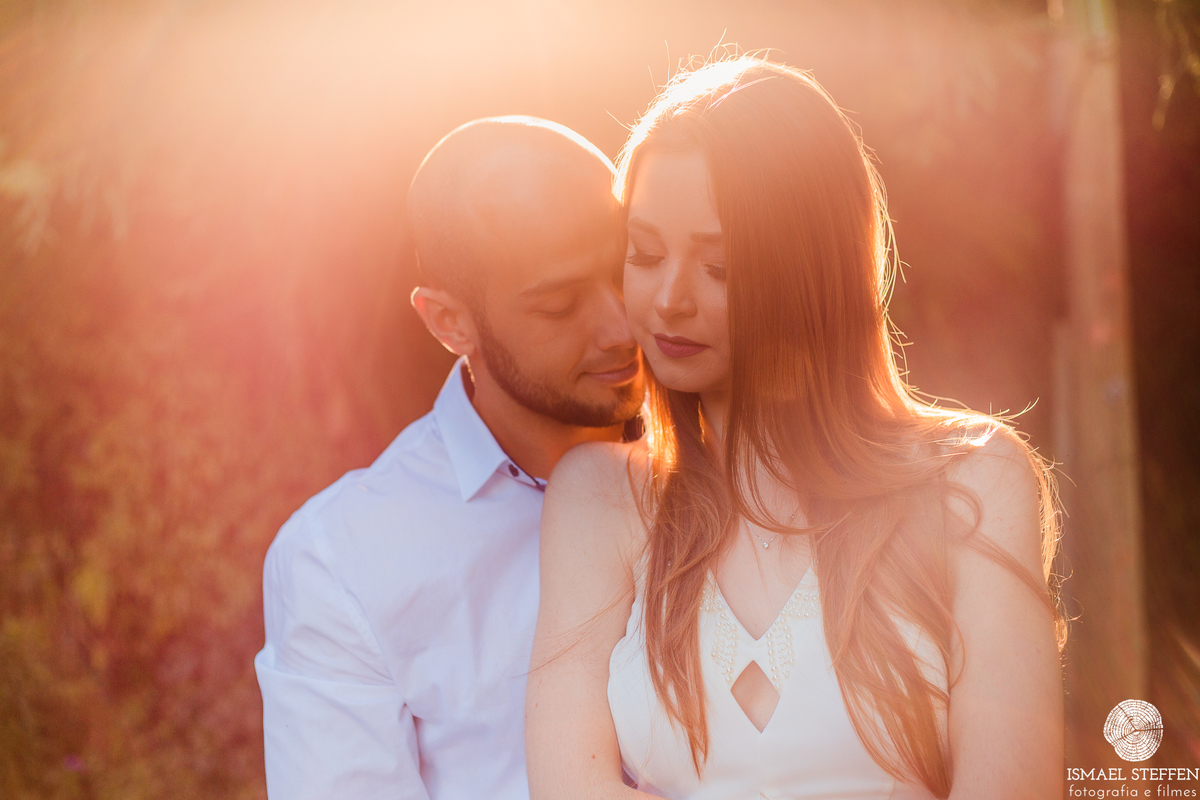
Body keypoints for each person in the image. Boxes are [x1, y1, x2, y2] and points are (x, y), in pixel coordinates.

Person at [526, 57, 1065, 800]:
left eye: (720, 266)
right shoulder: (598, 496)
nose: (668, 299)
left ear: (810, 271)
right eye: (645, 253)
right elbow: (566, 787)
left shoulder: (973, 477)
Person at [255, 116, 645, 800]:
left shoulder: (734, 465)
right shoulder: (341, 560)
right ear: (449, 323)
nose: (623, 328)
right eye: (558, 307)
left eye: (627, 269)